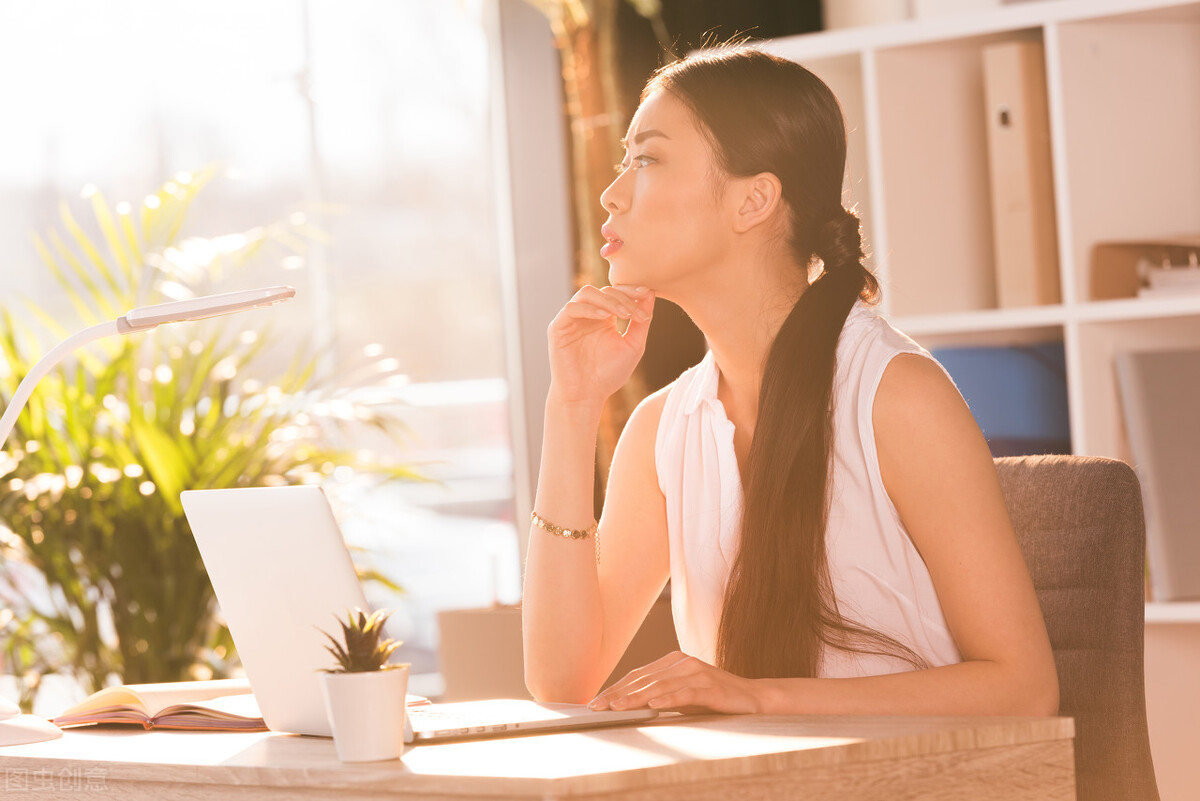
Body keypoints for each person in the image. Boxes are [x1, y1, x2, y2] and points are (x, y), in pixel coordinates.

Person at [521, 46, 1059, 717]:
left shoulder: (897, 396)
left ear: (754, 200)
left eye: (648, 158)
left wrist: (755, 698)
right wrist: (571, 405)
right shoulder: (663, 428)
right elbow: (561, 677)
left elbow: (1025, 688)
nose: (612, 192)